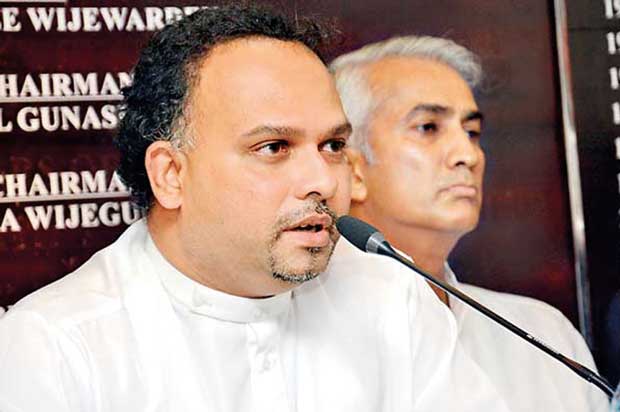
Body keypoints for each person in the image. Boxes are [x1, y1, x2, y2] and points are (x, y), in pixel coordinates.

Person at [0, 6, 510, 412]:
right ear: (171, 174)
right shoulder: (57, 348)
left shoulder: (390, 295)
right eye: (274, 147)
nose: (322, 181)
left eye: (332, 145)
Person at [330, 35, 610, 411]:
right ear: (350, 168)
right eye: (428, 127)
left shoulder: (544, 332)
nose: (468, 154)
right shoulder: (302, 331)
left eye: (472, 132)